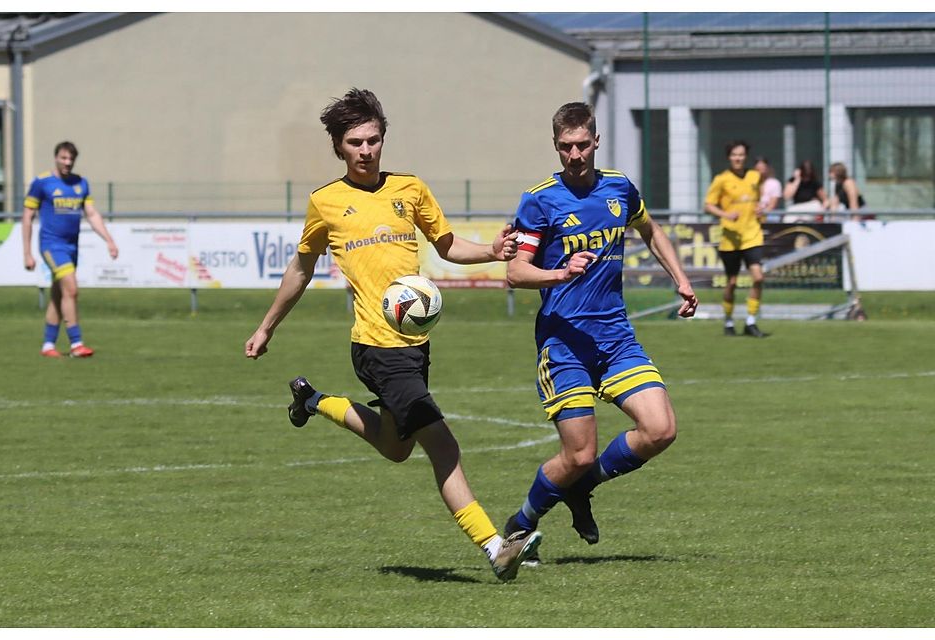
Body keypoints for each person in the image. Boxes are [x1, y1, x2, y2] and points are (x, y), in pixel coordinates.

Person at [244, 88, 541, 582]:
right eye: (355, 142)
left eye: (373, 140)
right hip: (376, 348)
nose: (366, 150)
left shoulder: (410, 189)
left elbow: (447, 245)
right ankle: (495, 546)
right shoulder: (325, 202)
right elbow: (300, 270)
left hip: (415, 346)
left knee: (396, 447)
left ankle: (313, 399)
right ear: (338, 147)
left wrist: (493, 250)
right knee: (442, 445)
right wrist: (266, 326)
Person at [502, 102, 698, 562]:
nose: (575, 154)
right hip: (563, 340)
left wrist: (681, 279)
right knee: (579, 454)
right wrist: (559, 274)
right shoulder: (540, 199)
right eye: (566, 147)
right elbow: (515, 271)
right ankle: (521, 522)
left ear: (596, 141)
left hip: (615, 335)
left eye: (582, 145)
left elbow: (650, 231)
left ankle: (580, 489)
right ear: (556, 146)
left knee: (660, 429)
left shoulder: (619, 189)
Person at [22, 141, 118, 358]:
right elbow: (28, 216)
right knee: (72, 290)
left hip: (71, 247)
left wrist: (109, 240)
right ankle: (76, 344)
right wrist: (27, 253)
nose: (67, 162)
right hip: (51, 245)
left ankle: (48, 345)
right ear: (56, 157)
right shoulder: (42, 182)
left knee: (60, 295)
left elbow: (92, 214)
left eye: (71, 159)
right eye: (63, 158)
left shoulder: (81, 184)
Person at [704, 141, 768, 338]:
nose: (738, 158)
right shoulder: (721, 180)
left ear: (745, 156)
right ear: (729, 157)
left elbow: (759, 200)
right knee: (731, 282)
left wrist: (760, 208)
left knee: (758, 277)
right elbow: (708, 205)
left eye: (741, 154)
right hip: (730, 239)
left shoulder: (754, 176)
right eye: (734, 155)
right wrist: (725, 214)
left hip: (752, 235)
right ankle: (729, 321)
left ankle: (750, 321)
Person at [754, 156, 782, 222]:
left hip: (769, 215)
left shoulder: (774, 183)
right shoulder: (751, 183)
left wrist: (762, 213)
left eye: (762, 168)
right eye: (758, 169)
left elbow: (772, 205)